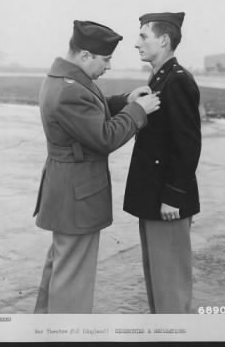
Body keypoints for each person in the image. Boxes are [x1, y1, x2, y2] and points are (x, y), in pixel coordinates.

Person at [33, 20, 160, 314]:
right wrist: (138, 112)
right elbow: (104, 137)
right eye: (106, 59)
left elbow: (93, 107)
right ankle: (66, 335)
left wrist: (126, 100)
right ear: (85, 56)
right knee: (73, 277)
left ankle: (42, 327)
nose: (110, 66)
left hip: (66, 189)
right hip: (77, 195)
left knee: (61, 265)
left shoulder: (62, 79)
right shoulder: (70, 90)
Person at [123, 12, 202, 313]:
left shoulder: (177, 81)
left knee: (171, 288)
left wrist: (172, 196)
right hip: (153, 197)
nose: (136, 43)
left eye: (143, 36)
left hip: (166, 203)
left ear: (165, 40)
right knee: (158, 283)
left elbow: (188, 145)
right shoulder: (160, 78)